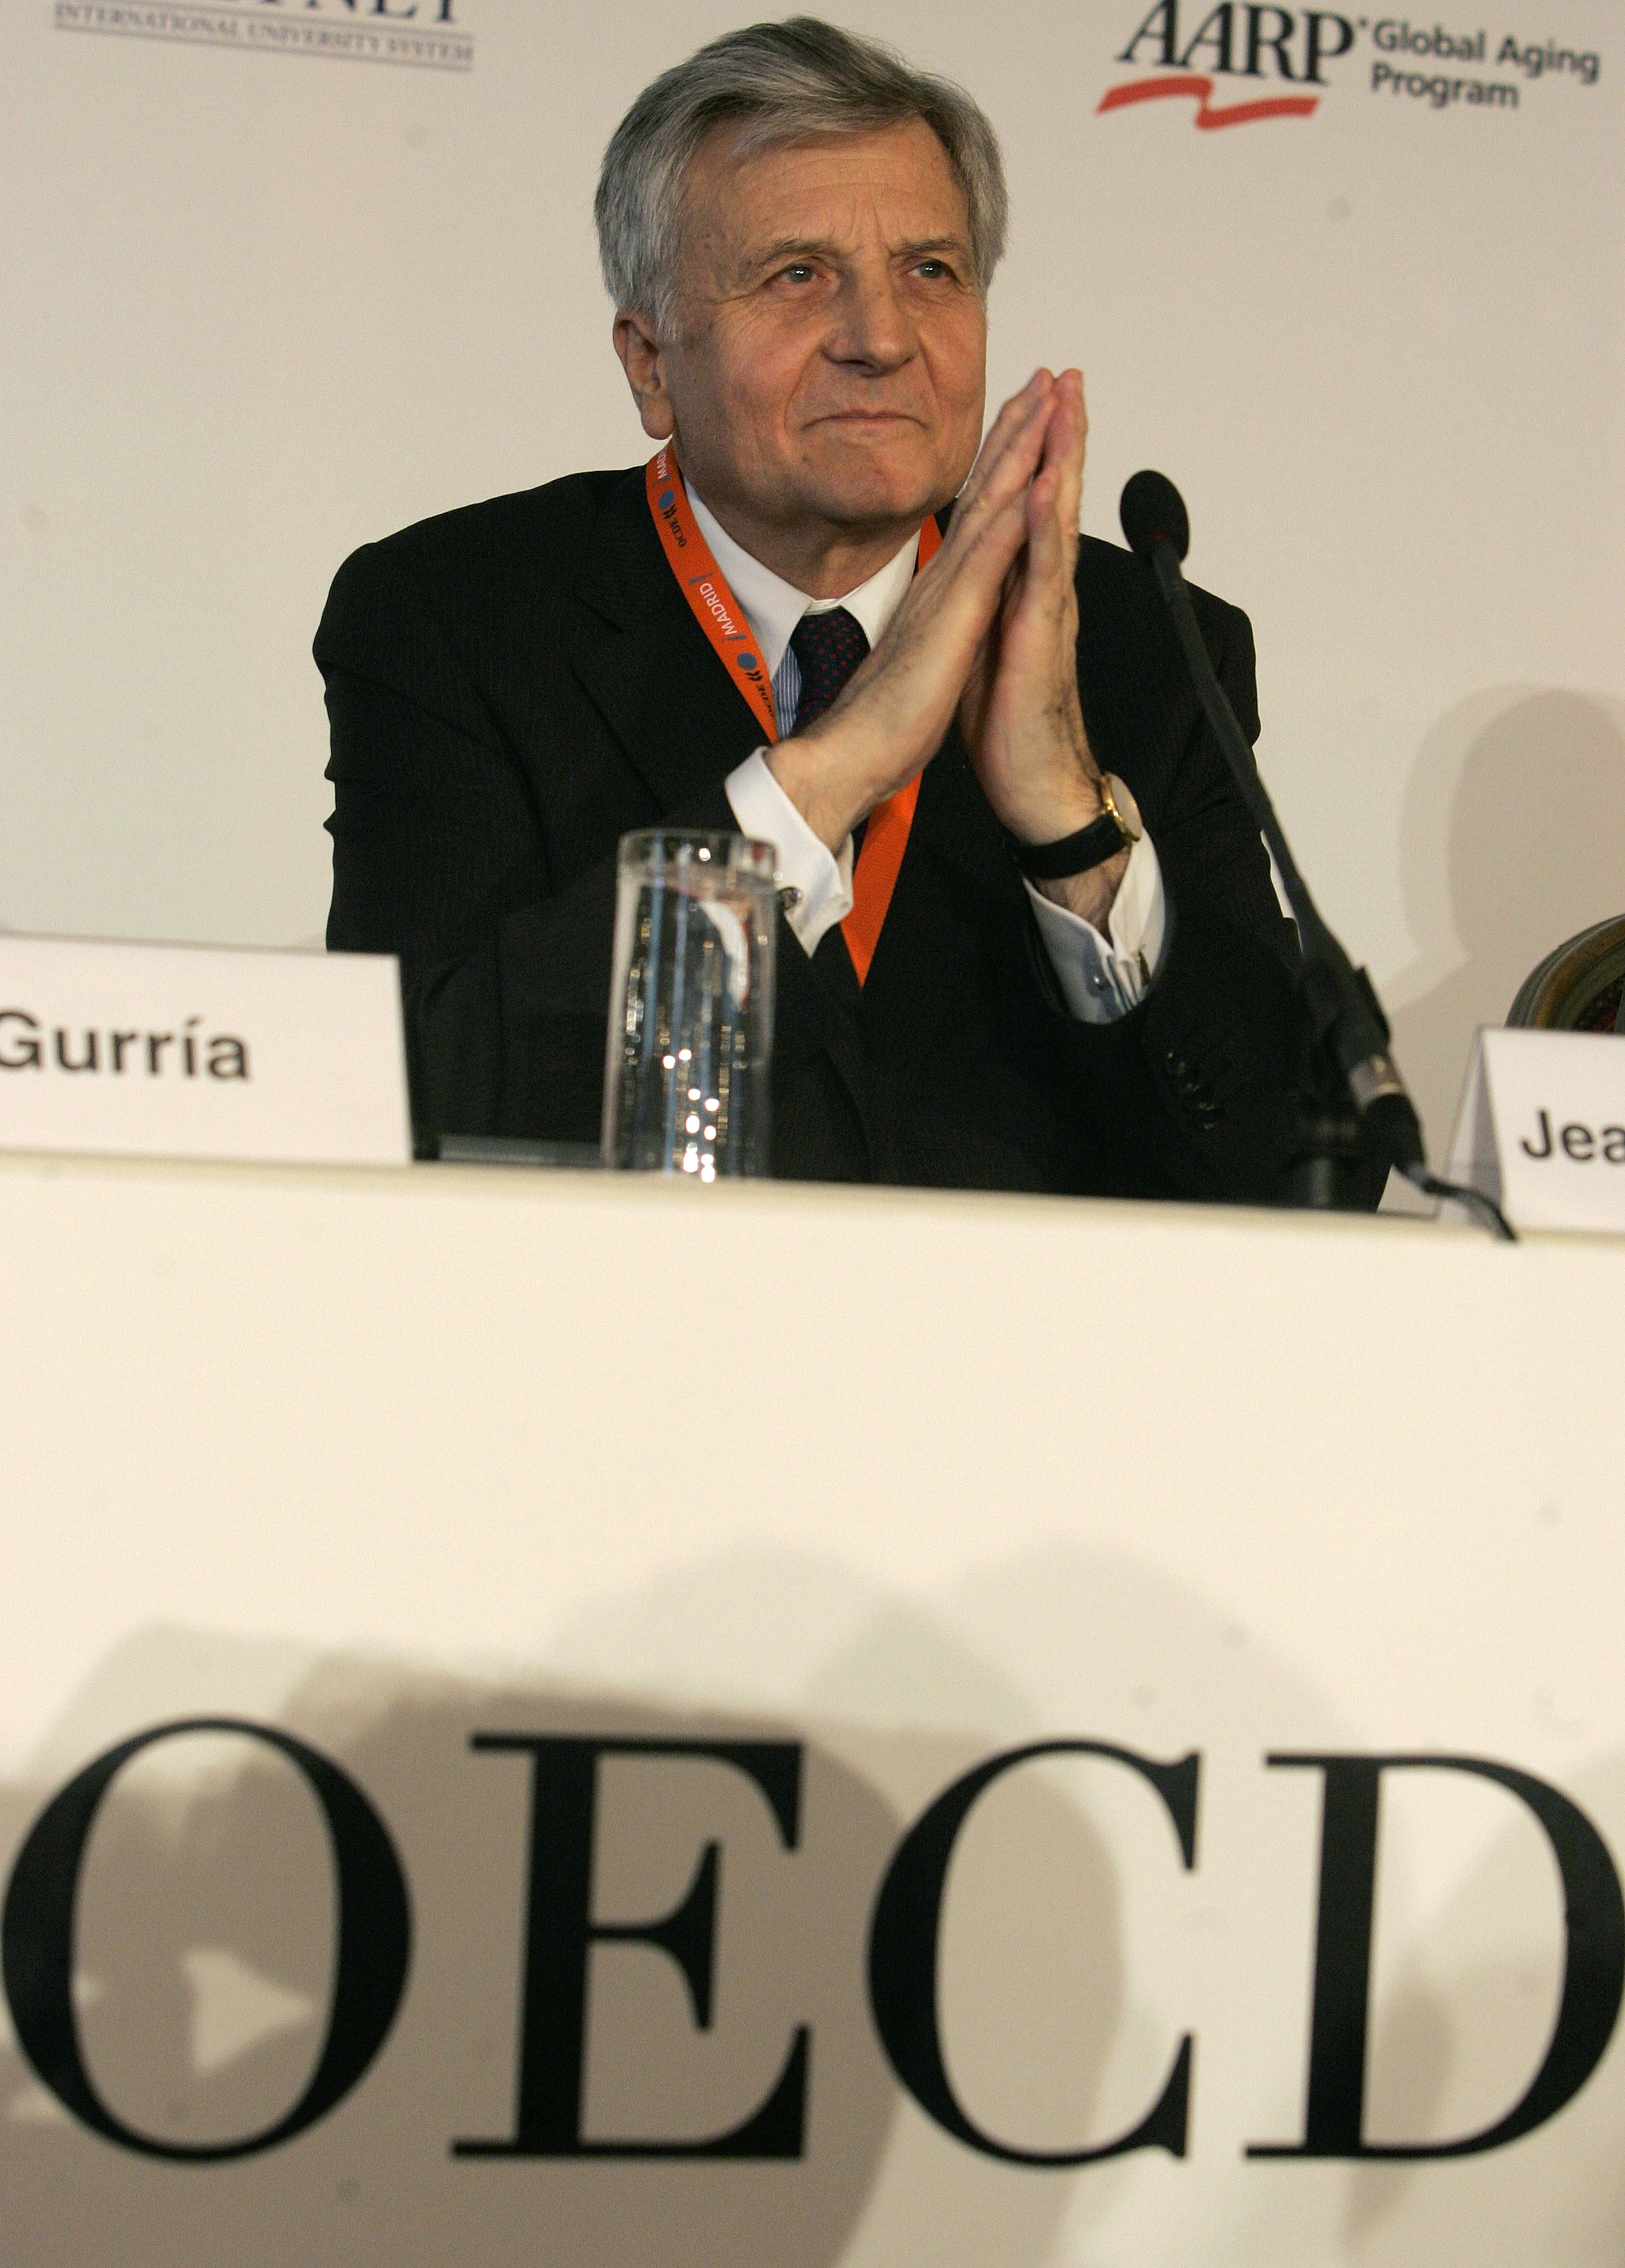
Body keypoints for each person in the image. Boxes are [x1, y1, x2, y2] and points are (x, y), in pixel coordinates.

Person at [317, 16, 1307, 1199]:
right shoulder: (460, 613)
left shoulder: (1144, 642)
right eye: (798, 274)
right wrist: (829, 775)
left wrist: (1072, 833)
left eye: (930, 271)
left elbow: (1301, 1170)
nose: (881, 340)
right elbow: (412, 1094)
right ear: (649, 363)